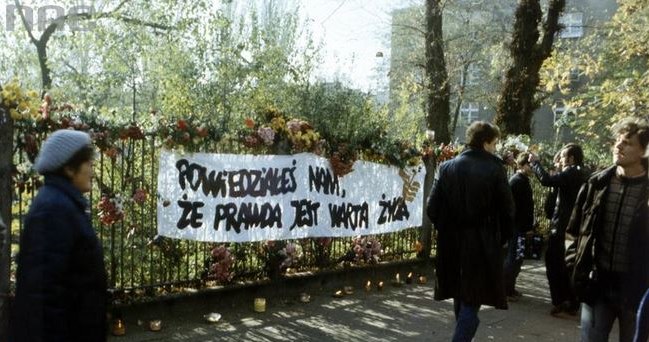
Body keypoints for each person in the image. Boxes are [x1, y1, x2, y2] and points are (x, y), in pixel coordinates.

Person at [10, 130, 107, 342]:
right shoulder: (54, 210)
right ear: (70, 168)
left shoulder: (64, 204)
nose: (92, 171)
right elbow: (43, 297)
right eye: (88, 164)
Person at [427, 121, 514, 342]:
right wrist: (499, 239)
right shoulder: (496, 169)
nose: (495, 148)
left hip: (451, 243)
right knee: (472, 300)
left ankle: (464, 335)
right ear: (485, 143)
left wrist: (446, 228)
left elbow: (432, 208)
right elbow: (507, 211)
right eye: (494, 143)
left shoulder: (446, 167)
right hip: (482, 243)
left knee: (460, 292)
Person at [566, 117, 649, 342]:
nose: (618, 146)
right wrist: (575, 264)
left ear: (644, 151)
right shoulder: (597, 184)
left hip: (636, 290)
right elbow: (573, 230)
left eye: (628, 143)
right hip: (597, 285)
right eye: (617, 141)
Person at [529, 143, 586, 316]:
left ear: (571, 158)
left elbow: (546, 180)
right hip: (572, 225)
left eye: (562, 156)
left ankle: (561, 300)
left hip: (561, 226)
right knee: (566, 265)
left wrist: (535, 163)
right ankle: (571, 301)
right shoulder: (581, 172)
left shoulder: (571, 173)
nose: (560, 160)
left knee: (554, 263)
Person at [503, 153, 535, 301]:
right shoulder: (517, 181)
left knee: (518, 257)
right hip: (517, 226)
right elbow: (514, 207)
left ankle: (510, 287)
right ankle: (505, 290)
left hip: (521, 226)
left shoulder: (523, 180)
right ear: (521, 165)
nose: (532, 167)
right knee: (513, 257)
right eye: (529, 164)